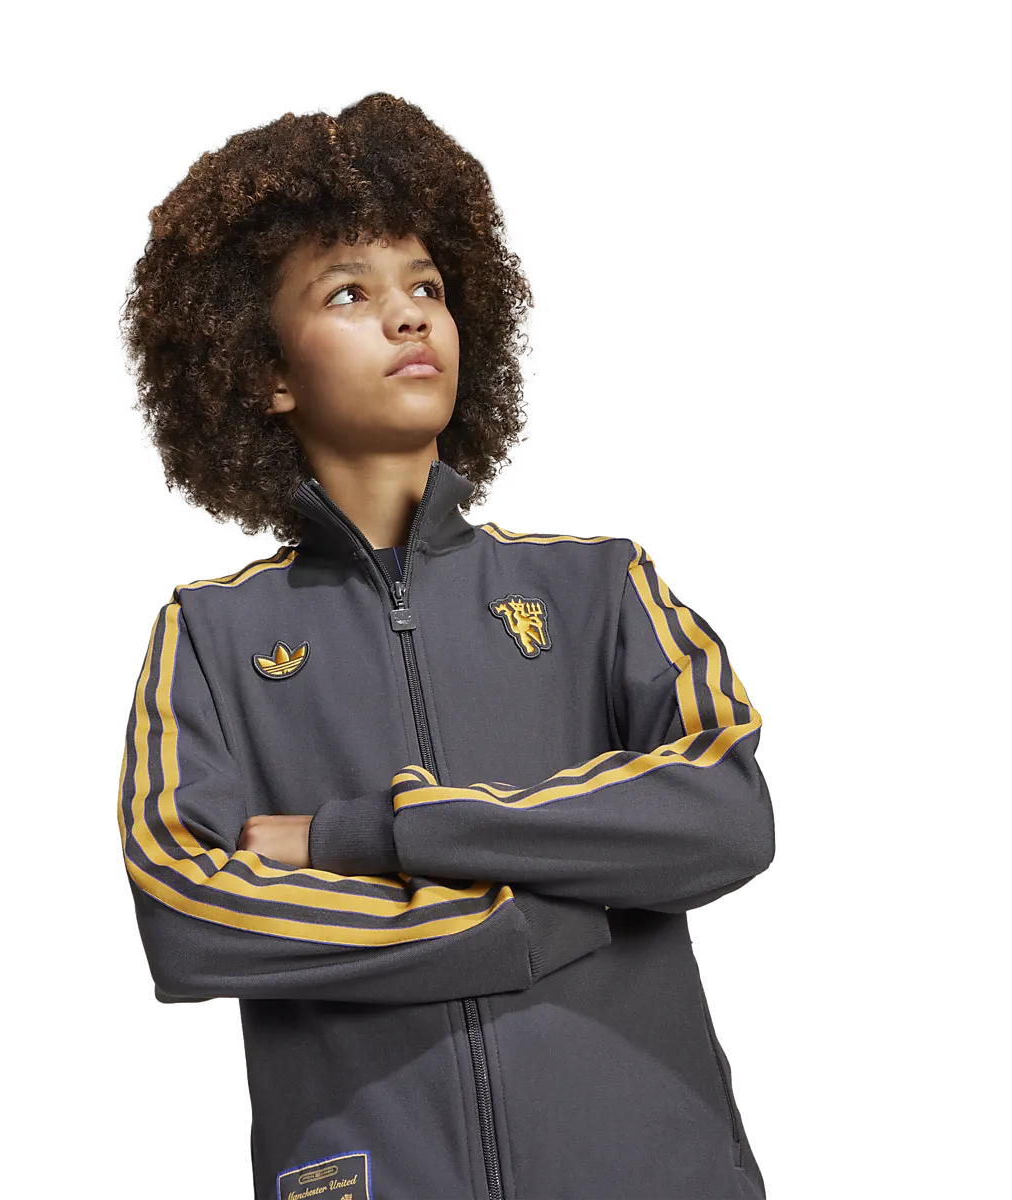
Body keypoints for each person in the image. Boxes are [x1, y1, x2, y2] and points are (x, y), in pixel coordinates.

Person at [116, 92, 775, 1200]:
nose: (408, 317)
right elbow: (190, 915)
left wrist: (376, 834)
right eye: (349, 293)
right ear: (266, 372)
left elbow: (726, 813)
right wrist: (519, 924)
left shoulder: (600, 584)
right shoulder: (211, 635)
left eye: (426, 286)